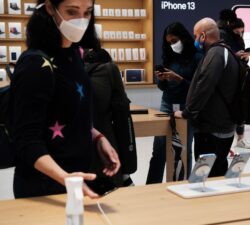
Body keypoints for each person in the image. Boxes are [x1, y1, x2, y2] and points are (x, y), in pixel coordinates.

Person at [8, 0, 120, 199]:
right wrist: (65, 178)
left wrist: (97, 138)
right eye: (71, 12)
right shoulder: (35, 64)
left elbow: (69, 114)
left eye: (87, 13)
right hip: (43, 189)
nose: (81, 21)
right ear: (51, 7)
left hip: (75, 182)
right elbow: (26, 140)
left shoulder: (73, 55)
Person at [174, 18, 240, 177]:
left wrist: (187, 112)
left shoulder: (215, 54)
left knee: (205, 175)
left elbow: (204, 86)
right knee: (218, 171)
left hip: (212, 129)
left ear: (203, 36)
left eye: (196, 36)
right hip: (223, 126)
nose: (195, 40)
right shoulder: (225, 51)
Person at [146, 22, 202, 184]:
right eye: (169, 42)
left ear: (183, 37)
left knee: (184, 149)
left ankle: (184, 184)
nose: (172, 45)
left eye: (174, 40)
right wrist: (162, 80)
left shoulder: (197, 57)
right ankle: (151, 185)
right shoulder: (169, 56)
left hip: (186, 107)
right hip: (167, 105)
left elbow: (199, 87)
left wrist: (179, 79)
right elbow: (163, 87)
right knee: (159, 150)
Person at [84, 48, 137, 187]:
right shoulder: (110, 70)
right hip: (105, 143)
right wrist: (128, 169)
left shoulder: (74, 71)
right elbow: (122, 117)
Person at [218, 10, 250, 150]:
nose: (239, 34)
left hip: (240, 74)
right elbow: (224, 55)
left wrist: (245, 56)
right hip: (228, 76)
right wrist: (235, 56)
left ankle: (240, 138)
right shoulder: (223, 35)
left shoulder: (238, 38)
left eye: (241, 32)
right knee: (229, 107)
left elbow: (242, 55)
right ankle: (227, 139)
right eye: (237, 31)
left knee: (241, 105)